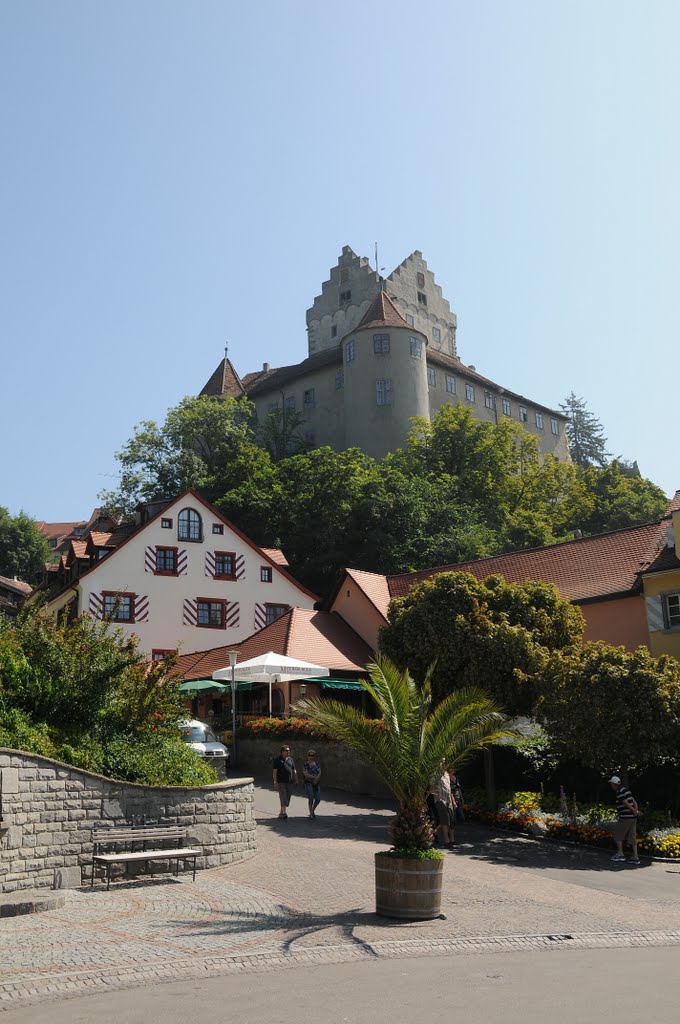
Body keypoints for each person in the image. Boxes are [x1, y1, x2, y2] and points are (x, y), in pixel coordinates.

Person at [609, 775, 641, 865]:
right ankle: (635, 857)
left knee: (618, 835)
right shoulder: (626, 790)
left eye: (611, 784)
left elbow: (626, 803)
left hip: (625, 817)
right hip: (633, 818)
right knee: (632, 836)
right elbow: (634, 801)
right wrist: (636, 811)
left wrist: (634, 811)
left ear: (614, 784)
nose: (611, 785)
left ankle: (620, 854)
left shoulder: (619, 792)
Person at [432, 768, 456, 849]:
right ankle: (447, 841)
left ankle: (452, 840)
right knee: (445, 820)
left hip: (448, 800)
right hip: (441, 800)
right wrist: (438, 797)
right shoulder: (435, 774)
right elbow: (432, 787)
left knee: (451, 820)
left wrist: (453, 801)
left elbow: (449, 789)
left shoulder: (446, 774)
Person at [272, 745, 297, 819]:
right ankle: (284, 813)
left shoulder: (290, 759)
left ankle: (281, 813)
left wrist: (296, 779)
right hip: (281, 782)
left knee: (287, 798)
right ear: (282, 752)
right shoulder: (277, 760)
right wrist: (275, 782)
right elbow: (274, 772)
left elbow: (294, 770)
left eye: (289, 751)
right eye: (286, 751)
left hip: (289, 782)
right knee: (283, 797)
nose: (288, 752)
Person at [302, 749, 322, 818]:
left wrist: (316, 779)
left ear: (314, 756)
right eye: (309, 755)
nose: (311, 757)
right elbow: (305, 773)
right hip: (308, 783)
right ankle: (311, 813)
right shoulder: (306, 764)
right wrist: (313, 777)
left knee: (318, 799)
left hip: (316, 783)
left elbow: (319, 772)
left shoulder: (317, 763)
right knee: (311, 798)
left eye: (312, 755)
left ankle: (313, 810)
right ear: (307, 756)